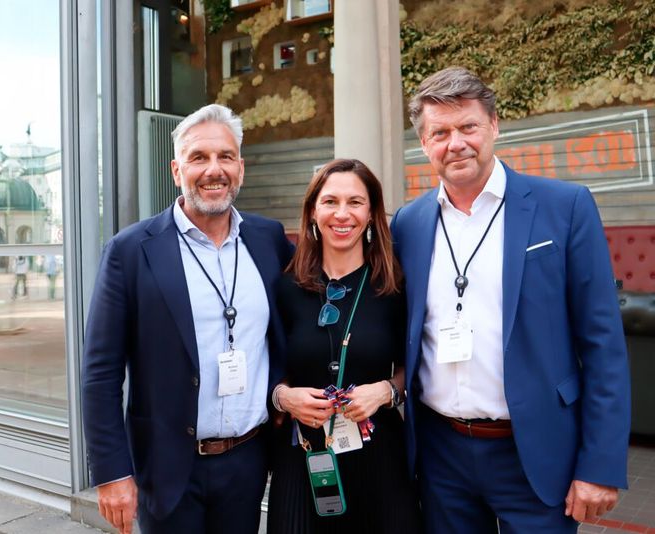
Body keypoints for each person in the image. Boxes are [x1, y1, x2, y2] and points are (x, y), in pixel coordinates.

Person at [390, 66, 630, 533]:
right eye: (439, 132)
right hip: (442, 458)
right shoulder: (408, 224)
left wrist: (599, 465)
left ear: (494, 126)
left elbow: (603, 345)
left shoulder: (565, 207)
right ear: (424, 145)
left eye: (468, 127)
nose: (455, 142)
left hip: (538, 453)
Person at [81, 104, 294, 534]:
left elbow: (297, 326)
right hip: (168, 468)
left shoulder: (269, 239)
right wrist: (111, 473)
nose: (213, 169)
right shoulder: (130, 251)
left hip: (249, 461)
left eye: (225, 156)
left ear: (241, 167)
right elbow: (100, 374)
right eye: (199, 157)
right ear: (177, 170)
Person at [268, 159, 422, 533]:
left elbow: (412, 366)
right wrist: (284, 398)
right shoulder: (286, 286)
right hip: (304, 454)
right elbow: (270, 367)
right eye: (330, 201)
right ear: (312, 211)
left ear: (371, 214)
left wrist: (386, 391)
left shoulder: (394, 285)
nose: (342, 214)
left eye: (355, 202)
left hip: (379, 455)